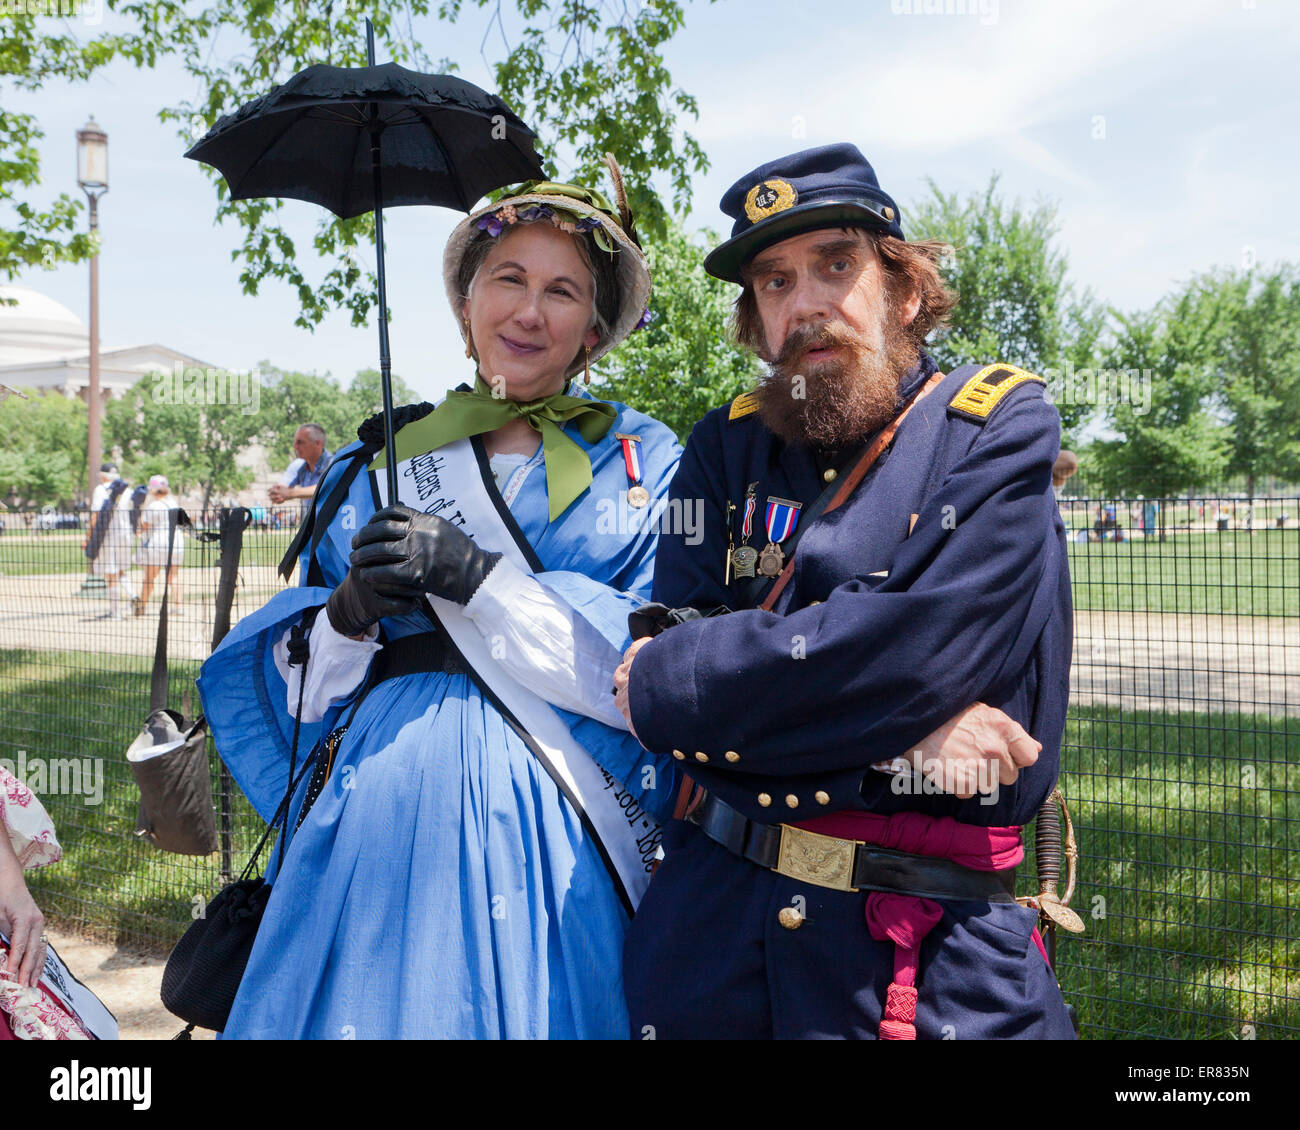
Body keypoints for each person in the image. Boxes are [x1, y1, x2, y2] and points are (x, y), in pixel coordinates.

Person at [198, 164, 682, 1038]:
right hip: (371, 833)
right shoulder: (377, 461)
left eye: (562, 291)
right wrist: (344, 615)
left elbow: (647, 682)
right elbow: (304, 707)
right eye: (509, 279)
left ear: (594, 330)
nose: (529, 312)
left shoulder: (644, 466)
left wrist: (478, 580)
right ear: (466, 308)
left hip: (555, 842)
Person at [613, 143, 1075, 1039]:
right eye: (775, 281)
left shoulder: (995, 426)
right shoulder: (727, 446)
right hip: (713, 943)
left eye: (836, 264)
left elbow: (920, 651)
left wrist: (724, 692)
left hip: (926, 964)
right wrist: (910, 730)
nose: (807, 302)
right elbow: (662, 674)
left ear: (903, 290)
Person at [84, 462, 138, 620]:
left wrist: (89, 536)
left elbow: (95, 516)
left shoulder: (101, 490)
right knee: (120, 570)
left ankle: (115, 612)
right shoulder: (127, 491)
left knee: (111, 573)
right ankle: (133, 595)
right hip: (126, 535)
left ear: (102, 475)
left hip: (108, 536)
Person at [133, 475, 185, 616]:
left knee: (149, 577)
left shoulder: (153, 506)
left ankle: (142, 605)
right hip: (176, 540)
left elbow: (145, 526)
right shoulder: (174, 503)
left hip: (158, 542)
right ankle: (178, 606)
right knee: (173, 576)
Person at [268, 424, 332, 517]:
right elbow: (282, 488)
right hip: (308, 527)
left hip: (329, 527)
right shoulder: (298, 465)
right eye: (295, 442)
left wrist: (290, 493)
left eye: (300, 442)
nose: (295, 446)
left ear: (318, 444)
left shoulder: (334, 463)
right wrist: (277, 493)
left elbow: (326, 488)